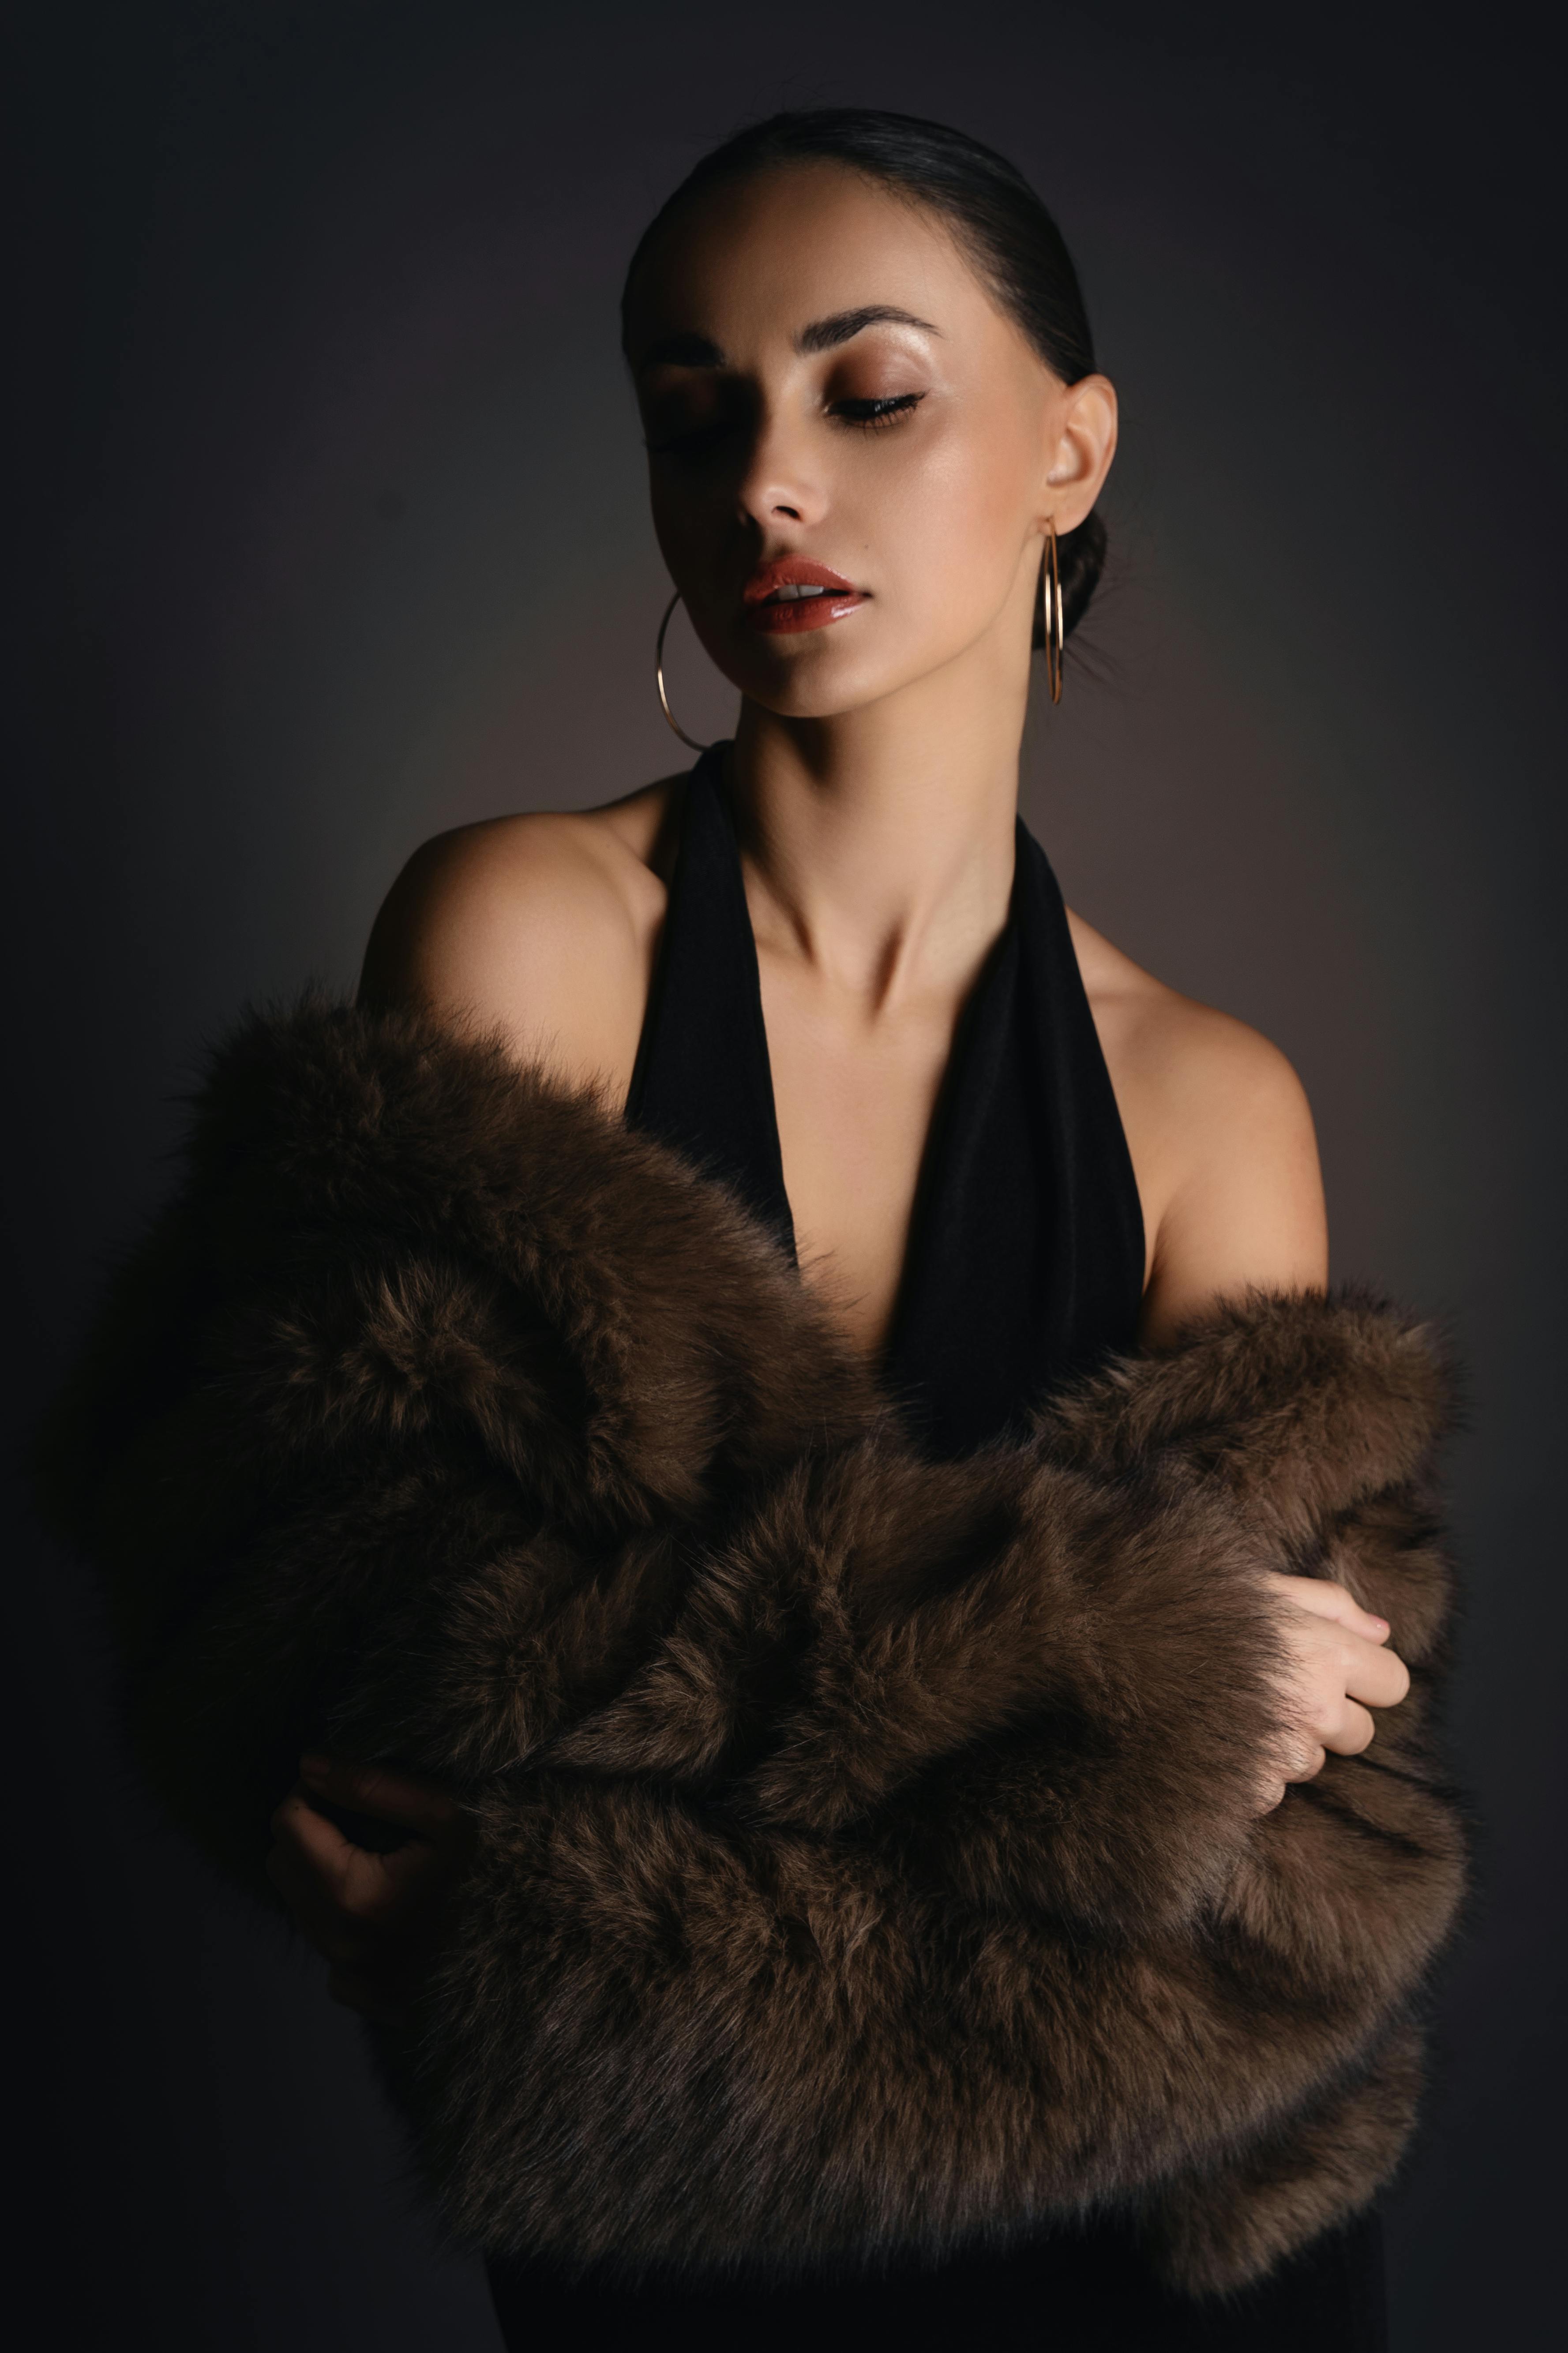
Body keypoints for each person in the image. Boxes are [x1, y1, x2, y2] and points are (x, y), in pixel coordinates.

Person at [254, 113, 1423, 2349]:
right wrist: (1112, 1664)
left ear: (1069, 451)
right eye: (696, 420)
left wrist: (635, 1891)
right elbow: (453, 1658)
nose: (765, 485)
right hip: (673, 2221)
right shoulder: (525, 930)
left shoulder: (1204, 1103)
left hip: (1158, 2241)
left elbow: (1264, 1879)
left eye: (867, 394)